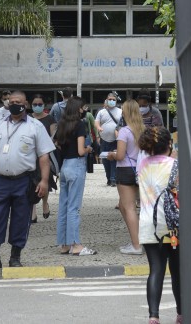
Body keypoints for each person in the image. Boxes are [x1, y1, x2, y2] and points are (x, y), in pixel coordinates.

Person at [0, 90, 55, 268]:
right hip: (1, 181)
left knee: (21, 219)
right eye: (11, 101)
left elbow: (44, 157)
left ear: (25, 104)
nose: (14, 104)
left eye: (18, 101)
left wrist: (44, 181)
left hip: (24, 181)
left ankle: (15, 257)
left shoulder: (35, 126)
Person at [138, 127, 181, 324]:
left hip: (148, 225)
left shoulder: (142, 165)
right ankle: (181, 313)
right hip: (173, 225)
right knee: (177, 270)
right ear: (169, 145)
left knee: (156, 269)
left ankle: (153, 316)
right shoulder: (176, 165)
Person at [54, 98, 96, 256]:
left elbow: (57, 143)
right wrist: (88, 149)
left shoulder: (62, 124)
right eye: (82, 107)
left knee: (64, 206)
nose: (84, 109)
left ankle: (64, 244)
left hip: (64, 166)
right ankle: (76, 244)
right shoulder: (80, 125)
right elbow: (80, 151)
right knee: (74, 208)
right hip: (76, 165)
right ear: (78, 109)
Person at [109, 99, 145, 255]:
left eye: (123, 109)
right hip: (140, 171)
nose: (121, 112)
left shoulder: (124, 131)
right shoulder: (143, 130)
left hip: (125, 170)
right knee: (124, 206)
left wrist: (112, 155)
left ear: (127, 112)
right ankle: (136, 240)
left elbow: (121, 155)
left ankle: (137, 245)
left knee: (128, 207)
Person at [30, 94, 55, 223]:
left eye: (40, 104)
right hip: (30, 155)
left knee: (45, 180)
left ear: (44, 105)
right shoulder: (28, 119)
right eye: (35, 104)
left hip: (45, 154)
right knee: (31, 182)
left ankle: (45, 203)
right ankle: (32, 209)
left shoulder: (49, 119)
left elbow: (53, 137)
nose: (37, 106)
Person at [95, 92, 122, 186]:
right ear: (106, 100)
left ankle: (113, 179)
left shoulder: (120, 111)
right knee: (106, 160)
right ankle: (108, 177)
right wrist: (98, 128)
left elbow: (122, 124)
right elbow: (97, 122)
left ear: (116, 101)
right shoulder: (101, 112)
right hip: (104, 139)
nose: (111, 101)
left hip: (116, 140)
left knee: (114, 159)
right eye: (109, 99)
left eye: (113, 100)